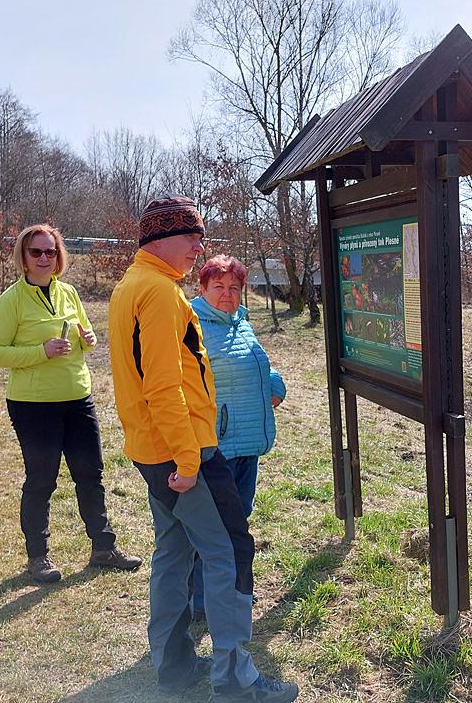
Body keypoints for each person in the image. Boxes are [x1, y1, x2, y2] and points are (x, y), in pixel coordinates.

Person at [108, 196, 298, 703]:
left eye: (200, 234)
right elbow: (163, 385)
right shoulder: (159, 294)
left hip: (154, 449)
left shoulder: (133, 285)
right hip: (183, 452)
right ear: (157, 239)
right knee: (231, 551)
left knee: (173, 549)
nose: (199, 245)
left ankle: (172, 666)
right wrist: (190, 460)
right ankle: (237, 680)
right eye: (190, 235)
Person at [0, 224, 141, 584]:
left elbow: (88, 338)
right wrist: (41, 352)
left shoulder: (68, 292)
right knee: (42, 479)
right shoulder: (12, 300)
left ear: (59, 256)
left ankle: (103, 547)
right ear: (23, 257)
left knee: (91, 474)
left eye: (50, 252)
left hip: (78, 397)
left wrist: (88, 338)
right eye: (36, 252)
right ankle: (38, 557)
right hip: (33, 404)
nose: (44, 258)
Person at [187, 255, 285, 620]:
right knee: (212, 526)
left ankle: (230, 590)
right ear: (202, 288)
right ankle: (202, 600)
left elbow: (258, 362)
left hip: (246, 442)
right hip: (215, 445)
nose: (227, 295)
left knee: (238, 518)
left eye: (234, 288)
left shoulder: (240, 323)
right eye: (219, 287)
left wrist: (275, 383)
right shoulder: (192, 325)